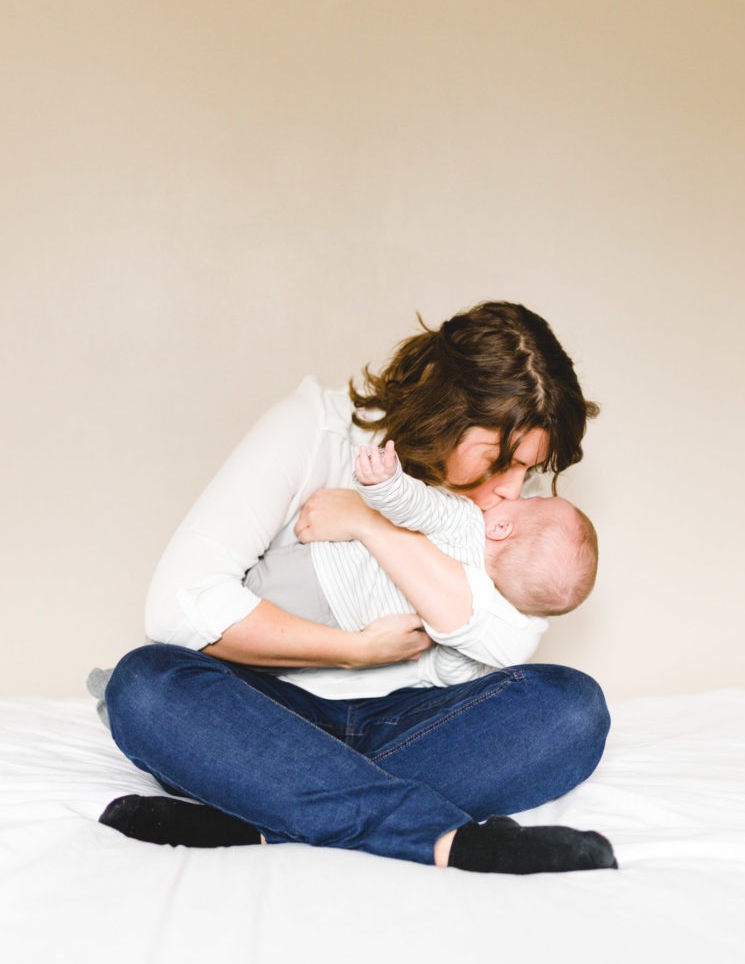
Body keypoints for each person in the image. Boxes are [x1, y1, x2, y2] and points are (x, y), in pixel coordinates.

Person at [100, 301, 616, 874]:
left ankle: (266, 811)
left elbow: (507, 637)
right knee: (146, 688)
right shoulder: (316, 432)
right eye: (501, 461)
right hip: (266, 716)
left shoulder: (498, 507)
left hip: (418, 725)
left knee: (573, 711)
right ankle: (446, 841)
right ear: (446, 411)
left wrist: (372, 525)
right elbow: (177, 609)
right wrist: (353, 652)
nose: (512, 493)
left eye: (529, 471)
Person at [243, 438, 596, 695]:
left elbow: (420, 506)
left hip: (321, 575)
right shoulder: (487, 613)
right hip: (344, 623)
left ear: (502, 528)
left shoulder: (468, 523)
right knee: (264, 655)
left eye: (528, 503)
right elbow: (450, 672)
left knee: (247, 600)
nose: (515, 494)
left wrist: (387, 483)